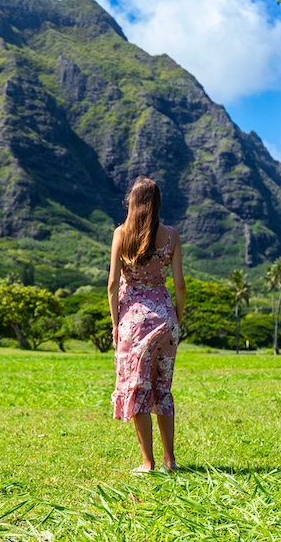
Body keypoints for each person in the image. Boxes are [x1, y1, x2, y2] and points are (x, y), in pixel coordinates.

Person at [108, 176, 185, 473]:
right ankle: (170, 460)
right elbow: (180, 285)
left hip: (132, 322)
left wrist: (116, 323)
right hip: (165, 318)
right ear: (158, 203)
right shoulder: (171, 236)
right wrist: (178, 318)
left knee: (137, 388)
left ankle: (147, 462)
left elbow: (113, 283)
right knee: (162, 389)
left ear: (132, 202)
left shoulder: (121, 234)